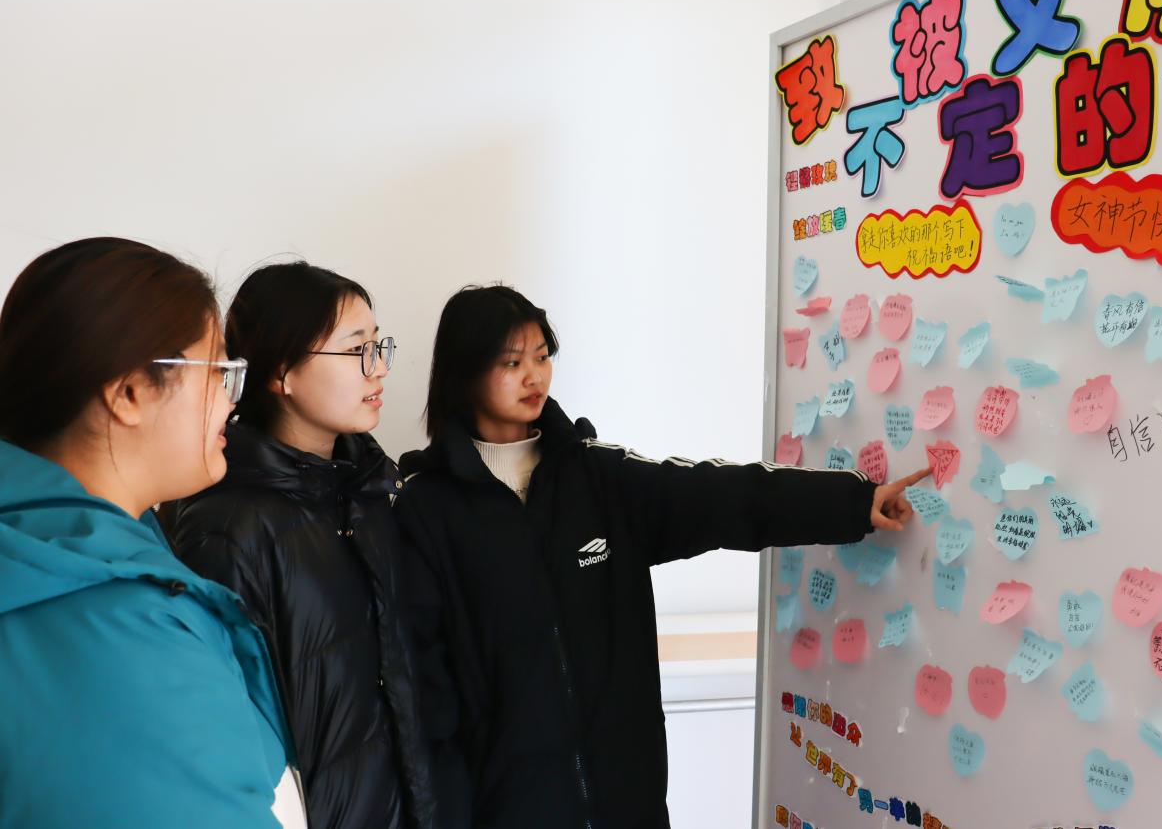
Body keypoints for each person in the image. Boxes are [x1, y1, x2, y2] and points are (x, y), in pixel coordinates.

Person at [394, 284, 928, 829]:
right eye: (512, 363)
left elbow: (725, 497)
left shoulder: (599, 478)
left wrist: (853, 503)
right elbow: (429, 701)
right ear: (465, 373)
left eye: (541, 356)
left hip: (628, 805)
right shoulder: (426, 510)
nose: (535, 376)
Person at [0, 237, 303, 829]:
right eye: (220, 372)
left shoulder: (58, 554)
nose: (231, 404)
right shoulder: (120, 632)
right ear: (131, 392)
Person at [166, 262, 459, 829]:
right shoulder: (229, 527)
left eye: (379, 346)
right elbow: (230, 738)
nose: (379, 368)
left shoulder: (371, 494)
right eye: (356, 350)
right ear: (282, 373)